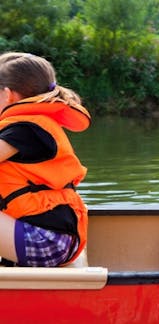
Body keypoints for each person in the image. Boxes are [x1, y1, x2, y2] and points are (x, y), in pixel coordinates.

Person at [0, 52, 91, 267]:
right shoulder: (28, 126)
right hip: (50, 237)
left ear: (7, 95)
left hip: (47, 241)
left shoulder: (25, 130)